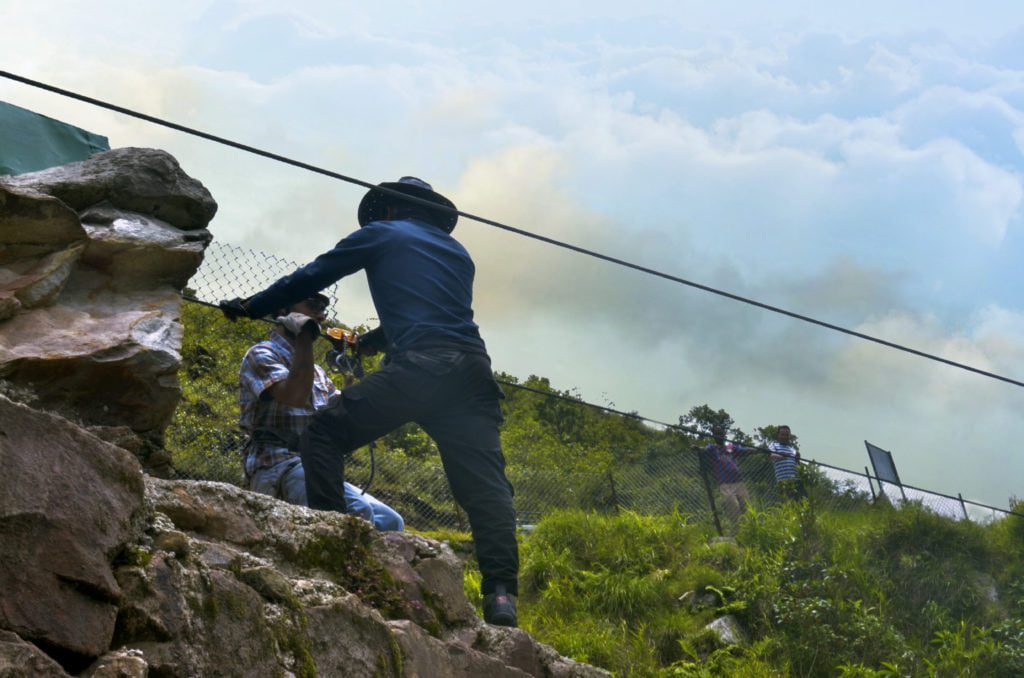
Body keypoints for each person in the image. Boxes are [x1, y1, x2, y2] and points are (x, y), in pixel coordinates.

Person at [221, 176, 519, 627]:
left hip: (420, 369)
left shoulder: (382, 232)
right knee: (485, 490)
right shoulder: (458, 254)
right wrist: (367, 344)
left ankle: (331, 549)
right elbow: (431, 314)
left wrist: (253, 304)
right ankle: (501, 598)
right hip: (471, 374)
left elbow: (314, 273)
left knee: (323, 433)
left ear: (390, 210)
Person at [238, 292, 404, 532]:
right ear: (283, 312)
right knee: (358, 511)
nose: (321, 314)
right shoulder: (262, 354)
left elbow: (336, 419)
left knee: (391, 522)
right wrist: (305, 336)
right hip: (276, 461)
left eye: (324, 309)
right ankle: (345, 567)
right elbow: (294, 396)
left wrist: (359, 391)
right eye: (313, 305)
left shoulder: (317, 372)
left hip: (312, 463)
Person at [699, 426, 752, 522]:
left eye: (721, 433)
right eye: (717, 434)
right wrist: (698, 449)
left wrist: (757, 450)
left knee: (747, 507)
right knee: (734, 507)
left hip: (738, 482)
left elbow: (745, 451)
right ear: (714, 436)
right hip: (725, 484)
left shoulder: (729, 448)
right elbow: (704, 449)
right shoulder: (713, 448)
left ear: (724, 434)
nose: (719, 436)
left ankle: (750, 528)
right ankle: (739, 532)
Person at [767, 424, 803, 499]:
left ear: (789, 436)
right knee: (787, 503)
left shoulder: (792, 449)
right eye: (782, 434)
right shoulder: (774, 445)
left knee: (802, 502)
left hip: (796, 480)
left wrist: (798, 459)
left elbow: (798, 465)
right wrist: (782, 456)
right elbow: (771, 455)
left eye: (787, 435)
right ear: (778, 435)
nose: (784, 437)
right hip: (783, 481)